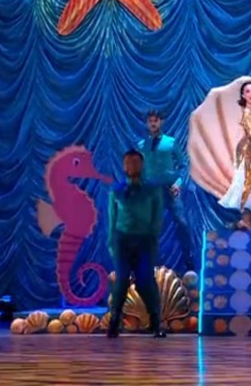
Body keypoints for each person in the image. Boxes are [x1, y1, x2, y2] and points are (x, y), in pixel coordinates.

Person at [107, 150, 171, 339]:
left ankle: (156, 323)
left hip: (145, 240)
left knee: (145, 280)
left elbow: (157, 217)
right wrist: (111, 243)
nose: (132, 166)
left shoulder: (152, 189)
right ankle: (114, 323)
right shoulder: (116, 190)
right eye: (129, 162)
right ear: (124, 166)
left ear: (142, 165)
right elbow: (112, 219)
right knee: (121, 281)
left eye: (136, 162)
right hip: (122, 240)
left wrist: (153, 240)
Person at [136, 110, 195, 271]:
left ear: (161, 122)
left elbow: (183, 165)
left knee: (182, 222)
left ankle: (190, 260)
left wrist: (178, 183)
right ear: (147, 124)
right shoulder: (141, 146)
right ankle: (152, 264)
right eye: (150, 121)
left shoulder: (171, 142)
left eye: (155, 120)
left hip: (170, 189)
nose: (153, 123)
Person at [219, 81, 251, 229]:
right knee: (249, 182)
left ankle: (246, 221)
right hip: (247, 150)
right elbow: (250, 133)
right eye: (247, 91)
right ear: (243, 95)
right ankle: (245, 220)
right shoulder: (247, 112)